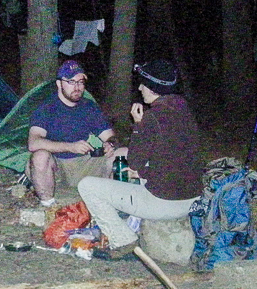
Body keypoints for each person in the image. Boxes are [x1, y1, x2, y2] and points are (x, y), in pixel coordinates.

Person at [78, 59, 203, 250]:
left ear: (153, 88)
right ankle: (131, 222)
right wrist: (144, 173)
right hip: (193, 199)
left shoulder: (152, 117)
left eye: (143, 84)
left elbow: (135, 161)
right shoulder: (183, 109)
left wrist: (139, 125)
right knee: (125, 159)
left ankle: (122, 240)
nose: (140, 88)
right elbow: (173, 156)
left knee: (87, 186)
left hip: (164, 203)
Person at [27, 60, 117, 207]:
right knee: (40, 156)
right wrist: (70, 147)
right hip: (57, 166)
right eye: (71, 81)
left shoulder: (89, 107)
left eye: (80, 82)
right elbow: (34, 143)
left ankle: (116, 204)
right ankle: (48, 206)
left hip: (86, 164)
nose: (77, 87)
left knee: (122, 154)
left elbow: (110, 136)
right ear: (59, 84)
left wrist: (110, 144)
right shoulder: (46, 108)